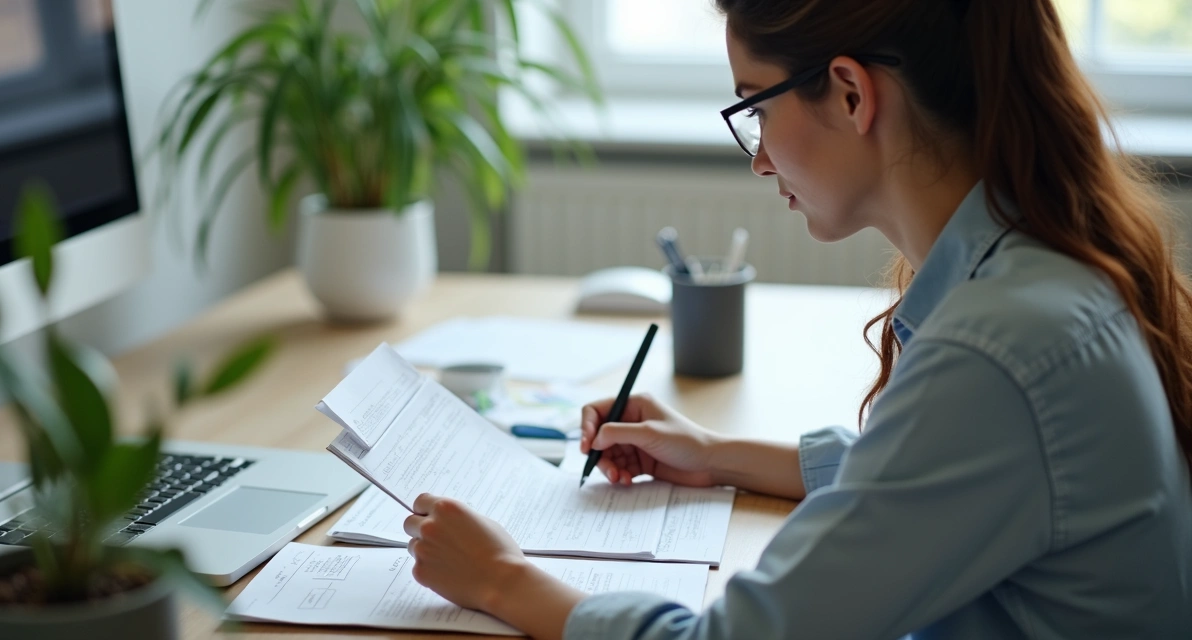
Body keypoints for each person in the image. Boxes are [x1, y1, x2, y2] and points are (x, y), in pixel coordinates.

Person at [400, 0, 1192, 637]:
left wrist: (503, 579)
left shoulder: (1000, 349)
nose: (758, 156)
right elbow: (929, 484)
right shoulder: (1033, 272)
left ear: (851, 93)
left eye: (756, 106)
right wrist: (717, 455)